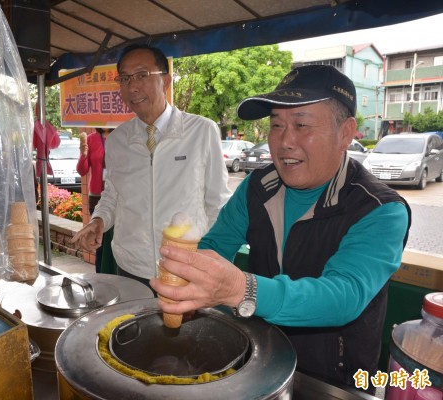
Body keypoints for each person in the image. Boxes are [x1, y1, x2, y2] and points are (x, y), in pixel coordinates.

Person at [150, 65, 411, 392]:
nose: (285, 140)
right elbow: (217, 245)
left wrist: (242, 289)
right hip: (260, 362)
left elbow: (344, 295)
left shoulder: (380, 209)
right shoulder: (258, 187)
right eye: (276, 125)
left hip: (332, 383)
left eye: (301, 125)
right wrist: (190, 283)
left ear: (345, 133)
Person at [71, 44, 231, 285]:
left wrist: (209, 257)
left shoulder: (201, 131)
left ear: (165, 81)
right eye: (124, 78)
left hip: (185, 267)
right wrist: (99, 221)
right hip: (131, 265)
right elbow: (113, 194)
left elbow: (217, 202)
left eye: (142, 75)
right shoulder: (117, 140)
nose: (132, 86)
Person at [76, 127, 114, 273]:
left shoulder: (122, 136)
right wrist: (83, 155)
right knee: (99, 241)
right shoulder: (91, 139)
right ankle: (101, 276)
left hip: (117, 197)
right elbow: (82, 170)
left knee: (115, 241)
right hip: (97, 197)